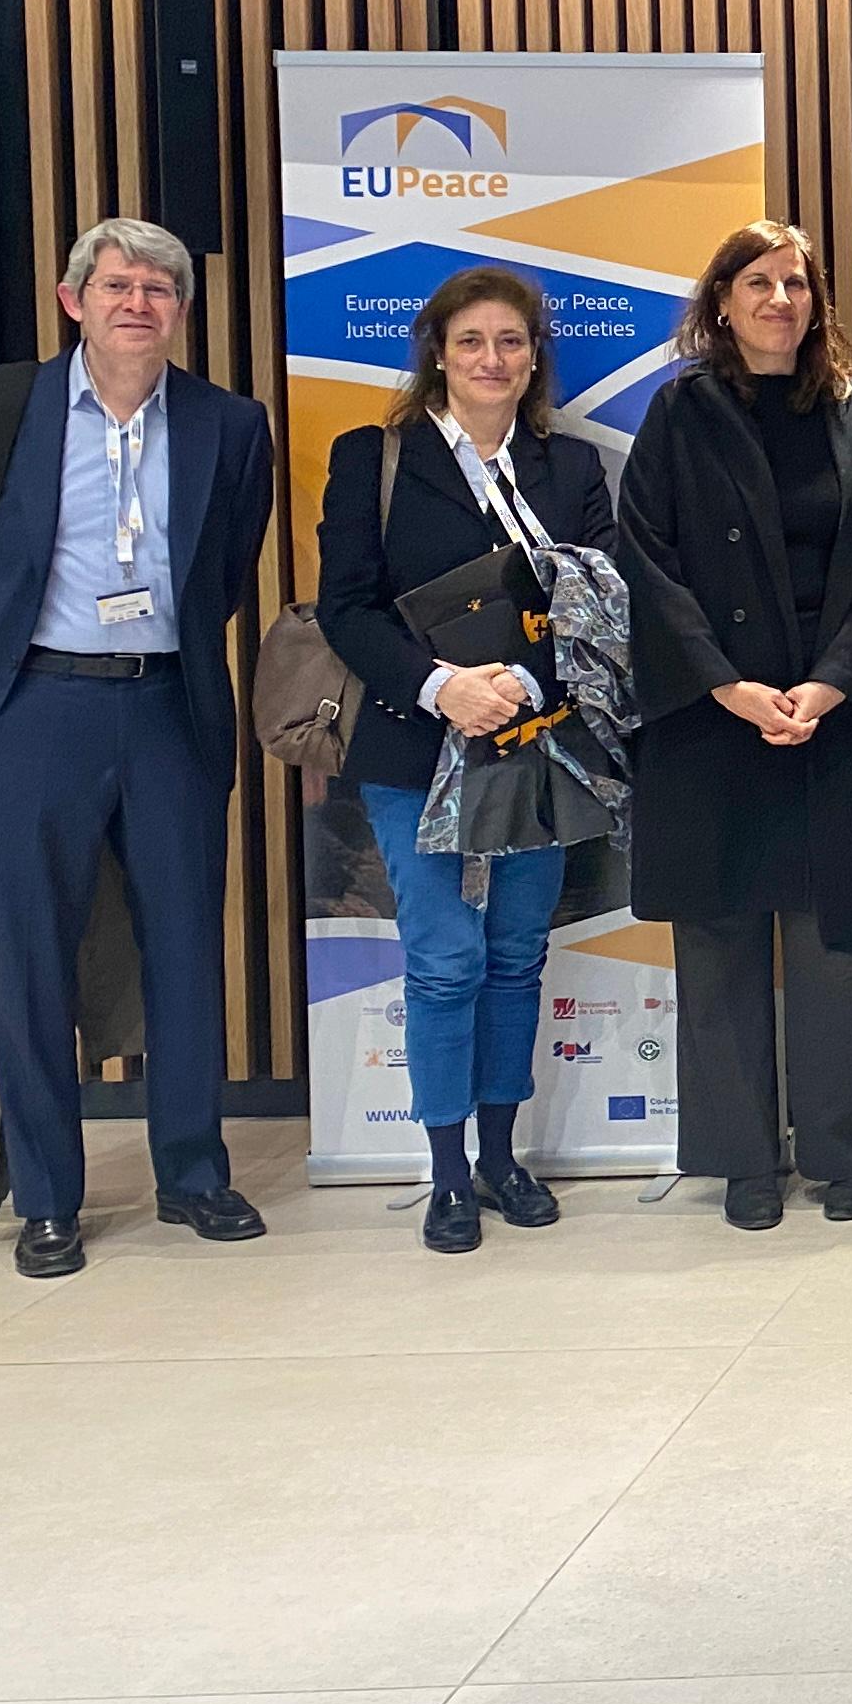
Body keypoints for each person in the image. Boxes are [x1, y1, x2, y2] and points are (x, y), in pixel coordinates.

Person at [0, 219, 274, 1280]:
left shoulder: (227, 425)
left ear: (180, 310)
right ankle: (51, 1201)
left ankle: (194, 1176)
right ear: (75, 302)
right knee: (31, 959)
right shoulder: (1, 410)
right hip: (35, 711)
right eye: (117, 285)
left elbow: (225, 575)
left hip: (166, 707)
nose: (138, 303)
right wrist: (0, 676)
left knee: (185, 945)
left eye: (159, 288)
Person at [619, 221, 852, 1229]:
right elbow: (647, 561)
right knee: (720, 947)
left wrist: (835, 682)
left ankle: (846, 1153)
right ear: (722, 301)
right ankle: (743, 1160)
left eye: (795, 283)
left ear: (817, 301)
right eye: (757, 282)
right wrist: (727, 685)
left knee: (838, 948)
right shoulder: (679, 414)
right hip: (713, 715)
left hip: (836, 715)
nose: (779, 300)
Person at [313, 263, 618, 1254]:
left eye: (512, 342)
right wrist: (445, 687)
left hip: (535, 742)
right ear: (438, 353)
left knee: (518, 953)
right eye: (473, 341)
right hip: (415, 741)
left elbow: (600, 603)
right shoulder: (376, 458)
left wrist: (524, 688)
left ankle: (502, 1156)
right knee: (445, 960)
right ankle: (446, 1174)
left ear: (535, 358)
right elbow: (346, 607)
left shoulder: (569, 470)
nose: (493, 360)